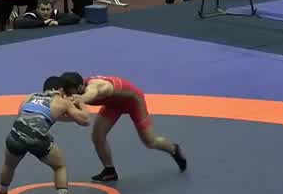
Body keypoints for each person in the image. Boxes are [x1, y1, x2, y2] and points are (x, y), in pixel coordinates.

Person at [59, 71, 187, 182]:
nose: (70, 96)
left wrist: (81, 99)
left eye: (71, 93)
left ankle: (173, 149)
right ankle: (110, 171)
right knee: (97, 136)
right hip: (113, 105)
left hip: (134, 102)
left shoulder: (97, 85)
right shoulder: (73, 91)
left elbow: (91, 93)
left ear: (80, 87)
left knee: (150, 141)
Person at [0, 76, 93, 194]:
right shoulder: (62, 102)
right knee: (59, 166)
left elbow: (25, 116)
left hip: (15, 135)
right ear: (60, 89)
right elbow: (86, 120)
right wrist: (81, 102)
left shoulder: (29, 97)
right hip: (37, 139)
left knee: (9, 165)